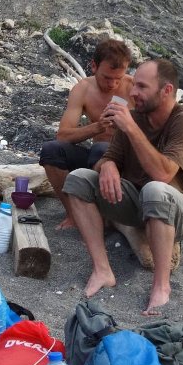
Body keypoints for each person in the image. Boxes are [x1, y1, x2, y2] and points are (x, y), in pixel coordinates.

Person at [62, 59, 183, 316]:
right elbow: (110, 157)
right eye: (134, 85)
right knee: (78, 179)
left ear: (166, 90)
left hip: (180, 212)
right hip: (138, 202)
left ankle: (161, 286)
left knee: (155, 190)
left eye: (142, 86)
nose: (132, 92)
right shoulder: (136, 117)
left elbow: (163, 173)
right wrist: (107, 165)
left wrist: (130, 128)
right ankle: (102, 269)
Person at [39, 39, 134, 230]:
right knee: (51, 150)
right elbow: (63, 136)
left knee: (102, 149)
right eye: (107, 78)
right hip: (96, 158)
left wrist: (128, 125)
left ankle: (105, 215)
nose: (113, 84)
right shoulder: (83, 89)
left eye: (118, 78)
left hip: (128, 161)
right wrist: (96, 127)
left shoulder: (134, 88)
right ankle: (75, 215)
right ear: (93, 66)